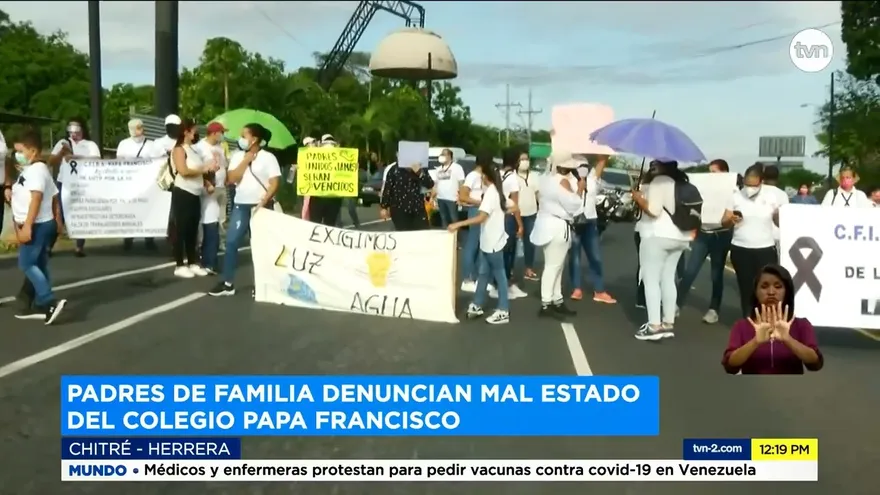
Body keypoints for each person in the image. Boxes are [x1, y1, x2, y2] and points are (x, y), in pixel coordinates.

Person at [208, 124, 280, 297]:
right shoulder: (238, 155)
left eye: (244, 135)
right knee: (232, 242)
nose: (240, 139)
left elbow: (275, 182)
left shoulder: (268, 157)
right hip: (241, 205)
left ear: (254, 139)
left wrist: (264, 201)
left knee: (260, 246)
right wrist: (246, 160)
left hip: (261, 207)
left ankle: (262, 284)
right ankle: (228, 283)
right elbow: (231, 178)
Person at [447, 154, 516, 325]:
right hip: (489, 241)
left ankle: (503, 310)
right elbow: (513, 205)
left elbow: (481, 218)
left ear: (487, 177)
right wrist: (501, 214)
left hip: (493, 242)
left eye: (482, 176)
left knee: (499, 275)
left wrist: (458, 224)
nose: (481, 179)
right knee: (484, 273)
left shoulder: (492, 194)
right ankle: (478, 303)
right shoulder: (496, 193)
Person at [631, 160, 695, 341]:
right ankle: (668, 322)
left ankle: (654, 326)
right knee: (668, 278)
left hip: (657, 235)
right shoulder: (683, 183)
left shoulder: (659, 182)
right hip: (681, 237)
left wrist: (638, 199)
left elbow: (654, 211)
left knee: (651, 280)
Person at [722, 264, 823, 374]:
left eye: (778, 286)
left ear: (787, 291)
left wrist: (788, 339)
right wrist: (755, 342)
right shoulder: (741, 326)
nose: (771, 292)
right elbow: (730, 365)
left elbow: (815, 363)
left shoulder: (801, 325)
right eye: (764, 287)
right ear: (755, 292)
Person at [11, 131, 67, 324]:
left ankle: (48, 300)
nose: (17, 154)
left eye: (21, 151)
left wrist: (27, 226)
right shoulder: (35, 170)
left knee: (26, 264)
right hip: (44, 223)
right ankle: (43, 303)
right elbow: (53, 197)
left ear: (33, 151)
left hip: (37, 224)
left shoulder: (37, 170)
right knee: (40, 263)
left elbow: (37, 198)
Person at [676, 159, 736, 324]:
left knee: (716, 274)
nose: (711, 175)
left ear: (724, 173)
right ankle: (676, 303)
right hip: (703, 233)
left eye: (714, 172)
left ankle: (713, 309)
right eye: (710, 172)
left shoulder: (733, 190)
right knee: (690, 271)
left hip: (721, 235)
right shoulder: (703, 188)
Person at [725, 163, 786, 318]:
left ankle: (766, 319)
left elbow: (781, 223)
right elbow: (724, 221)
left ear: (761, 181)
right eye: (747, 184)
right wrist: (730, 219)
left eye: (753, 185)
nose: (750, 188)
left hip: (765, 248)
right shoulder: (736, 196)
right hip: (741, 248)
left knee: (766, 287)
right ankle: (748, 319)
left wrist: (778, 216)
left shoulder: (771, 197)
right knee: (746, 287)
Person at [530, 151, 582, 319]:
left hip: (546, 224)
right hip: (558, 226)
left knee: (556, 265)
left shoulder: (545, 179)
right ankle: (546, 303)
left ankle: (556, 299)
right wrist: (580, 189)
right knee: (553, 267)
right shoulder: (563, 182)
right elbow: (574, 205)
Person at [169, 118, 217, 278]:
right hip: (183, 192)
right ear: (186, 132)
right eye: (193, 130)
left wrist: (206, 182)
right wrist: (204, 169)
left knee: (192, 229)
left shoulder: (193, 150)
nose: (196, 133)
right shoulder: (179, 149)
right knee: (181, 229)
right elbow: (183, 171)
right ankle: (179, 264)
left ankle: (192, 261)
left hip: (195, 193)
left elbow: (197, 171)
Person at [48, 117, 101, 257]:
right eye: (70, 130)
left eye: (76, 130)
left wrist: (75, 157)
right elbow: (51, 161)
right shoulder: (62, 142)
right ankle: (49, 246)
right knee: (60, 215)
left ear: (82, 129)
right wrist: (61, 152)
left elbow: (97, 160)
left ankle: (79, 247)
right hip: (63, 182)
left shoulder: (90, 145)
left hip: (82, 183)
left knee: (80, 213)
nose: (73, 133)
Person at [567, 155, 616, 304]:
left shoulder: (593, 178)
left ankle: (599, 290)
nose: (582, 169)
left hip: (590, 221)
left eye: (585, 166)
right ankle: (576, 288)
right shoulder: (567, 180)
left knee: (595, 257)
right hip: (574, 221)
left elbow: (602, 160)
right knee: (574, 257)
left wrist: (603, 151)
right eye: (579, 166)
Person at [117, 118, 160, 251]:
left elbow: (158, 161)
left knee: (149, 210)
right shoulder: (124, 144)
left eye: (139, 127)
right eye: (135, 127)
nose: (138, 130)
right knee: (130, 211)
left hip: (147, 183)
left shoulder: (151, 145)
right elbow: (119, 162)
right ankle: (128, 238)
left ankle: (149, 238)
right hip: (130, 184)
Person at [194, 122, 230, 274]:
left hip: (221, 186)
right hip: (207, 189)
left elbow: (223, 166)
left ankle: (211, 255)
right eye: (221, 132)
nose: (223, 135)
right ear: (214, 133)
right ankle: (204, 255)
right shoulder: (200, 147)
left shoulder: (220, 147)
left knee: (218, 219)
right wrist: (207, 183)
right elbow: (198, 168)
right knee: (207, 221)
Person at [496, 149, 527, 299]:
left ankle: (500, 283)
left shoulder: (498, 174)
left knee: (500, 251)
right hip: (508, 217)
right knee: (509, 253)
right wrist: (520, 224)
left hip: (497, 216)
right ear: (516, 162)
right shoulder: (513, 179)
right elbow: (515, 205)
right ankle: (504, 285)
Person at [458, 159, 492, 293]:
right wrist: (479, 202)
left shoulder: (485, 176)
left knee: (481, 245)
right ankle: (467, 278)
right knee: (472, 244)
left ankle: (478, 278)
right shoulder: (472, 176)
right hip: (475, 210)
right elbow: (463, 196)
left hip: (483, 210)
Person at [379, 154, 434, 231]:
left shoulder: (420, 168)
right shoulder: (394, 169)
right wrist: (384, 207)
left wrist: (419, 173)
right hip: (399, 209)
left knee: (422, 232)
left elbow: (430, 184)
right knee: (404, 234)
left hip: (417, 207)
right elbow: (388, 189)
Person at [307, 136, 345, 226]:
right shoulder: (312, 159)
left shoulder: (342, 159)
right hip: (318, 197)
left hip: (332, 198)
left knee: (327, 224)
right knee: (318, 224)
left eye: (331, 145)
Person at [514, 151, 539, 281]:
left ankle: (528, 268)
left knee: (530, 242)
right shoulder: (512, 176)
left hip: (531, 214)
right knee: (512, 242)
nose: (525, 162)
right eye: (522, 159)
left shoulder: (534, 176)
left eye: (526, 159)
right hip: (515, 214)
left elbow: (538, 194)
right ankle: (510, 269)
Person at [432, 148, 465, 228]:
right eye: (441, 154)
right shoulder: (438, 169)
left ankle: (456, 238)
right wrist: (433, 196)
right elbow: (436, 183)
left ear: (449, 156)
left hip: (452, 198)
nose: (442, 156)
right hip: (441, 198)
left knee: (454, 219)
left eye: (444, 154)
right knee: (444, 219)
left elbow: (461, 183)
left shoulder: (457, 167)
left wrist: (461, 197)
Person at [336, 155, 365, 229]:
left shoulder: (355, 169)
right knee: (337, 207)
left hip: (348, 189)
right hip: (339, 188)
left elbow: (359, 180)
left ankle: (356, 222)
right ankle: (339, 224)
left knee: (351, 207)